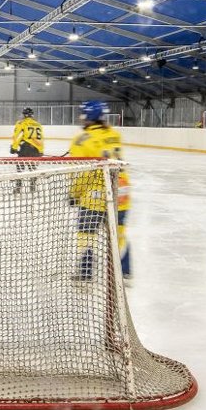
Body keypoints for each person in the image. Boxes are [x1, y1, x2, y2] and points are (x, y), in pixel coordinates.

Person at [69, 100, 132, 284]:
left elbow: (80, 173)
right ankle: (125, 271)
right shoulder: (114, 134)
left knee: (86, 234)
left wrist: (74, 194)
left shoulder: (81, 140)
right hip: (121, 191)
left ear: (87, 117)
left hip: (95, 195)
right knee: (118, 233)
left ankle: (86, 272)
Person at [10, 107, 44, 192]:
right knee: (32, 168)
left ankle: (18, 187)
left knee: (20, 167)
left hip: (25, 148)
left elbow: (16, 136)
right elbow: (41, 139)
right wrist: (40, 151)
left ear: (24, 115)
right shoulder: (38, 124)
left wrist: (14, 148)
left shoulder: (22, 123)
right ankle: (32, 186)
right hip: (36, 150)